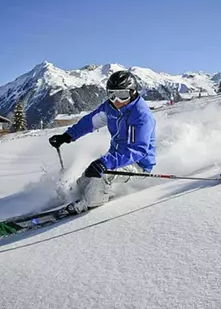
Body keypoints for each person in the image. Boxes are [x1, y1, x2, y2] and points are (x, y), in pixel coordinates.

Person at [48, 70, 156, 214]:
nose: (116, 101)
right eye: (112, 95)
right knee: (86, 178)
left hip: (138, 164)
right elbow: (90, 122)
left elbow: (137, 151)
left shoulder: (141, 116)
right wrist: (67, 136)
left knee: (101, 174)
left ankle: (89, 203)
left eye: (122, 95)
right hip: (116, 157)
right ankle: (79, 195)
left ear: (133, 93)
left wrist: (106, 162)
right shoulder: (110, 108)